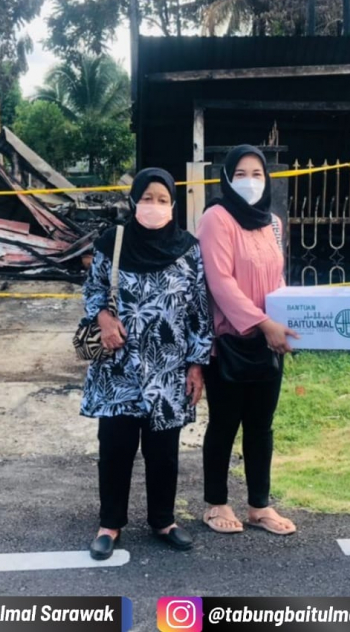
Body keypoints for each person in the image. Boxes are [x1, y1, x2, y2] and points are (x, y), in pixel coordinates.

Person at [80, 168, 212, 559]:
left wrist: (196, 365)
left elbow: (199, 310)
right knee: (115, 448)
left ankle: (163, 520)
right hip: (118, 369)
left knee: (163, 451)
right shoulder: (112, 242)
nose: (154, 206)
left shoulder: (188, 249)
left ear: (173, 204)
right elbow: (93, 291)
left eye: (162, 199)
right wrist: (104, 319)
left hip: (168, 371)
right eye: (147, 198)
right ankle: (110, 524)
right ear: (134, 200)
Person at [197, 145, 300, 536]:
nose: (250, 181)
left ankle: (259, 506)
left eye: (257, 174)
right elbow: (219, 282)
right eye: (240, 174)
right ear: (226, 178)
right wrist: (261, 322)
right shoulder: (216, 218)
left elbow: (277, 276)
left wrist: (287, 318)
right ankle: (216, 503)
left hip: (269, 341)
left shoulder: (272, 223)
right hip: (230, 341)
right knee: (224, 424)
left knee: (261, 425)